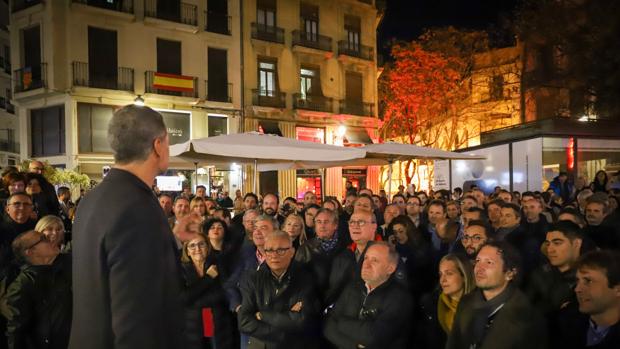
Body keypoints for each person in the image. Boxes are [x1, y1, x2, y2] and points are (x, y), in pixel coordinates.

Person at [69, 105, 191, 349]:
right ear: (158, 145)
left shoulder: (93, 199)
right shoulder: (138, 208)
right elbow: (137, 319)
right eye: (167, 142)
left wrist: (170, 240)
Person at [447, 241, 548, 349]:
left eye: (489, 263)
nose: (479, 268)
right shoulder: (466, 302)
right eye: (478, 261)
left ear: (510, 273)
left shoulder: (528, 317)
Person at [238, 230, 321, 348]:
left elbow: (303, 320)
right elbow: (244, 322)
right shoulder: (252, 278)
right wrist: (282, 332)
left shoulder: (305, 277)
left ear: (292, 252)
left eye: (280, 250)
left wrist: (263, 315)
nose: (274, 255)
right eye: (269, 250)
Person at [324, 242, 413, 349]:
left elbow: (373, 336)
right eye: (366, 258)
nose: (366, 264)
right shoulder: (352, 288)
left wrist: (339, 321)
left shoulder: (401, 299)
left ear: (390, 268)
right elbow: (328, 326)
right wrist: (353, 346)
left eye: (374, 260)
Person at [3, 230, 72, 349]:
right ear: (30, 252)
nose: (51, 239)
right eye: (43, 239)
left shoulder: (64, 265)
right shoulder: (22, 285)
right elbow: (16, 332)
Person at [180, 232, 235, 349]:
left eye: (201, 244)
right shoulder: (181, 270)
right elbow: (183, 298)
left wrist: (195, 295)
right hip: (192, 324)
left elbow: (224, 292)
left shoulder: (218, 264)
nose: (197, 249)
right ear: (187, 251)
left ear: (208, 247)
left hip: (214, 318)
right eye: (192, 246)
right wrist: (208, 277)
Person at [554, 250, 620, 348]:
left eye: (588, 281)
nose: (577, 289)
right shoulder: (562, 323)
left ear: (617, 289)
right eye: (578, 280)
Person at [527, 221, 584, 318]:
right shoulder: (539, 274)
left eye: (557, 243)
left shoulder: (589, 277)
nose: (550, 250)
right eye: (548, 244)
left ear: (576, 243)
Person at [419, 253, 476, 349]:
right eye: (440, 274)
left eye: (449, 273)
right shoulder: (431, 304)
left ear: (464, 276)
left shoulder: (480, 306)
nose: (442, 280)